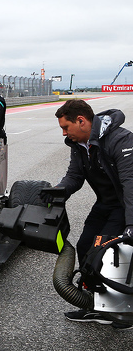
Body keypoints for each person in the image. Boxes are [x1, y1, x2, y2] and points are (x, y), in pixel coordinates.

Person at [45, 100, 133, 326]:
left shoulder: (120, 139)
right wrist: (57, 191)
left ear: (81, 121)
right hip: (105, 203)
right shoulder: (79, 145)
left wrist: (131, 224)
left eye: (66, 127)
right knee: (85, 247)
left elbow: (130, 184)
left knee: (106, 252)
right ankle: (95, 305)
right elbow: (74, 177)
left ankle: (122, 313)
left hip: (125, 204)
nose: (64, 133)